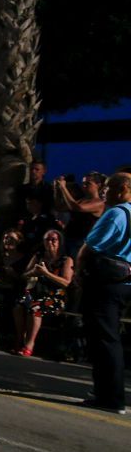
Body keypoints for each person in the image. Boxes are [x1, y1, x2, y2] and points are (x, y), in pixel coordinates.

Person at [75, 172, 131, 414]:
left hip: (105, 283)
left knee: (103, 339)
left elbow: (90, 247)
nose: (105, 192)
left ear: (123, 189)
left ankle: (110, 396)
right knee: (110, 337)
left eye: (109, 187)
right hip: (125, 282)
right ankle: (107, 391)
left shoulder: (116, 214)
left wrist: (78, 273)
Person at [13, 229, 73, 357]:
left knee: (35, 309)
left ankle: (29, 344)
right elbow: (24, 275)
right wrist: (33, 273)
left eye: (53, 240)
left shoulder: (66, 260)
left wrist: (46, 273)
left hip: (56, 296)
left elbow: (66, 282)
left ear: (60, 242)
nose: (50, 242)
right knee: (19, 305)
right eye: (47, 239)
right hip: (36, 292)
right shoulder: (39, 256)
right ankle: (19, 339)